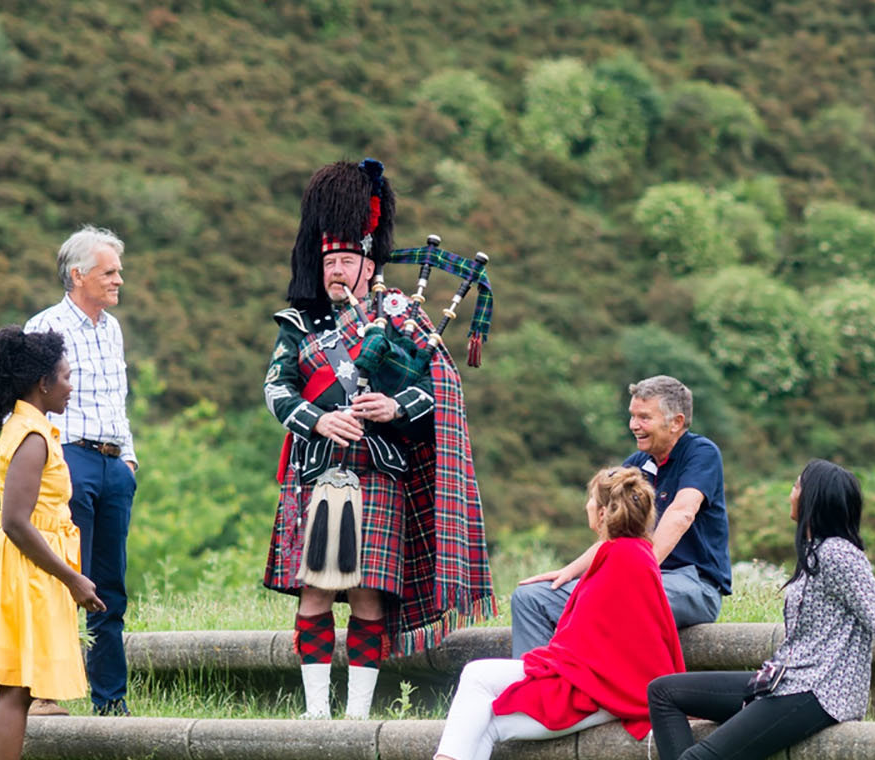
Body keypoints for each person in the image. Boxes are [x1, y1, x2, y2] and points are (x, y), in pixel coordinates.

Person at [263, 158, 493, 719]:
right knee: (316, 590)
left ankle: (357, 715)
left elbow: (439, 390)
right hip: (318, 472)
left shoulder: (401, 317)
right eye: (330, 261)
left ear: (370, 265)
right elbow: (275, 388)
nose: (337, 270)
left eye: (347, 260)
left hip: (380, 472)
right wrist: (317, 419)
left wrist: (393, 405)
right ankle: (317, 713)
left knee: (368, 595)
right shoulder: (300, 324)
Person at [646, 459, 875, 760]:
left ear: (813, 499)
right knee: (663, 692)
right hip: (785, 680)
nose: (791, 494)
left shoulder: (840, 555)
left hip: (819, 692)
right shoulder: (814, 553)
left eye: (796, 486)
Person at [433, 467, 683, 760]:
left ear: (603, 513)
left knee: (477, 676)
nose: (587, 505)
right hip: (602, 684)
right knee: (485, 723)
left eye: (591, 499)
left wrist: (542, 666)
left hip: (605, 692)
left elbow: (595, 648)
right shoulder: (628, 552)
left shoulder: (623, 558)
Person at [0, 327, 108, 760]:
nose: (70, 386)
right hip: (28, 569)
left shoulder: (33, 429)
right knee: (17, 687)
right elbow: (16, 522)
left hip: (34, 567)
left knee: (19, 687)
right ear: (43, 383)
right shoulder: (32, 437)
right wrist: (73, 579)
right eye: (65, 376)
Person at [511, 375, 727, 657]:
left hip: (692, 584)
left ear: (675, 422)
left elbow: (681, 513)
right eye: (632, 416)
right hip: (634, 577)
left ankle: (592, 690)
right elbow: (615, 532)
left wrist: (637, 570)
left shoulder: (701, 453)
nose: (634, 425)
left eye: (644, 417)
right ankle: (535, 693)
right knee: (532, 598)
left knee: (613, 596)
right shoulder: (636, 464)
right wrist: (571, 571)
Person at [22, 224, 138, 717]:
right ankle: (44, 692)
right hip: (68, 461)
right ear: (78, 275)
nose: (118, 280)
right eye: (109, 272)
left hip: (114, 465)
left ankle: (110, 702)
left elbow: (118, 400)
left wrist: (129, 459)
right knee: (66, 576)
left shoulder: (111, 329)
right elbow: (25, 406)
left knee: (110, 586)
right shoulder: (44, 328)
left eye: (118, 272)